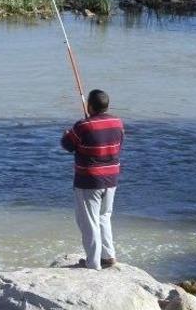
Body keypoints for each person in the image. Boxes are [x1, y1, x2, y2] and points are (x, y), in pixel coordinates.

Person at [61, 89, 124, 270]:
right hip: (111, 178)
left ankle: (93, 263)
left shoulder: (83, 126)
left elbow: (67, 145)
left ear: (89, 106)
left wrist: (67, 133)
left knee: (89, 222)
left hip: (89, 180)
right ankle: (108, 256)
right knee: (104, 216)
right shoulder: (117, 122)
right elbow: (118, 144)